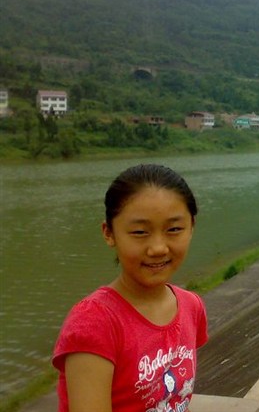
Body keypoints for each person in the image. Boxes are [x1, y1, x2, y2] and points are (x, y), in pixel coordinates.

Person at [53, 164, 208, 412]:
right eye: (139, 232)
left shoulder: (191, 306)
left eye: (174, 229)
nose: (158, 248)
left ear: (192, 227)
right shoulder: (95, 324)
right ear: (109, 233)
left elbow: (176, 400)